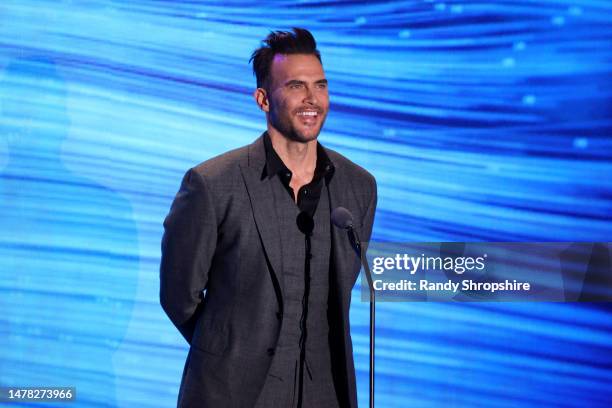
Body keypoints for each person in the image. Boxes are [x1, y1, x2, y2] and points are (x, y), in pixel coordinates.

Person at [160, 27, 377, 408]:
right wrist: (228, 347)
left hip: (326, 394)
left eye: (321, 86)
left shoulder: (358, 187)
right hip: (231, 393)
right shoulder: (212, 184)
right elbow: (178, 297)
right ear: (263, 99)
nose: (313, 99)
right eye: (296, 86)